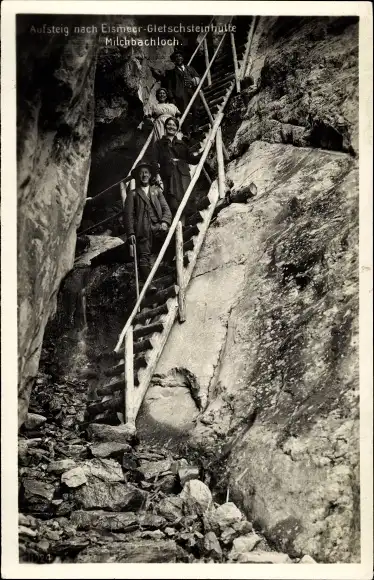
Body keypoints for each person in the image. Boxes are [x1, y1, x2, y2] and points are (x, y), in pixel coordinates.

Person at [124, 160, 172, 292]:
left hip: (158, 226)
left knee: (171, 239)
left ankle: (170, 268)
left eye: (146, 172)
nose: (144, 175)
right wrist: (131, 233)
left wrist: (165, 222)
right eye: (141, 173)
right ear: (138, 176)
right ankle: (149, 284)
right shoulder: (132, 194)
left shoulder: (156, 191)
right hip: (143, 230)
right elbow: (128, 216)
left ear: (150, 175)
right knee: (143, 256)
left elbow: (166, 209)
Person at [152, 116, 202, 217]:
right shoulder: (158, 144)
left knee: (187, 198)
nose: (171, 127)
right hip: (168, 175)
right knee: (172, 201)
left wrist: (205, 152)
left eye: (174, 125)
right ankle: (176, 225)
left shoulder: (181, 144)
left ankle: (186, 223)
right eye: (169, 124)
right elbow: (153, 161)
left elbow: (191, 159)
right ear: (165, 126)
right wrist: (157, 174)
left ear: (177, 128)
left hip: (183, 174)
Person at [164, 50, 201, 135]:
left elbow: (198, 77)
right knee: (184, 112)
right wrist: (172, 98)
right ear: (174, 60)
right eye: (176, 57)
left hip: (192, 92)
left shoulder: (190, 68)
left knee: (196, 109)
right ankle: (187, 132)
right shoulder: (172, 73)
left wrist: (194, 80)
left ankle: (196, 128)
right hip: (181, 95)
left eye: (180, 56)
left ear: (183, 58)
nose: (178, 58)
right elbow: (169, 87)